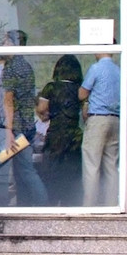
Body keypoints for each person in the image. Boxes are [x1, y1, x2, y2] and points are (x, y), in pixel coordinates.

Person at [0, 30, 47, 206]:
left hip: (16, 128)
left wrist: (8, 131)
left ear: (12, 44)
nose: (2, 46)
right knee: (20, 171)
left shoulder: (11, 68)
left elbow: (8, 101)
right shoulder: (26, 66)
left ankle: (42, 206)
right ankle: (23, 206)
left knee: (24, 170)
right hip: (27, 125)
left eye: (5, 42)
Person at [36, 55, 83, 206]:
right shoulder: (79, 90)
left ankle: (52, 200)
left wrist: (47, 115)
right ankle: (70, 201)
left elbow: (42, 109)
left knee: (52, 168)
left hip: (55, 133)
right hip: (74, 134)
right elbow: (86, 112)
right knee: (71, 170)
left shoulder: (50, 87)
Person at [79, 50, 120, 206]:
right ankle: (112, 206)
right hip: (116, 119)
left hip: (98, 119)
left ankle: (89, 206)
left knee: (91, 164)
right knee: (112, 165)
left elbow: (82, 94)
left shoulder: (96, 68)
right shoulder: (119, 70)